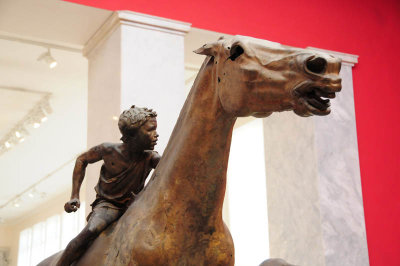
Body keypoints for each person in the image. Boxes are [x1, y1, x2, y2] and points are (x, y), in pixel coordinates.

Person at [56, 105, 161, 266]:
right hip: (108, 206)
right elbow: (82, 160)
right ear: (132, 134)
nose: (156, 135)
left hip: (135, 206)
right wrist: (74, 196)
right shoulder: (108, 150)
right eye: (150, 130)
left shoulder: (151, 158)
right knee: (88, 234)